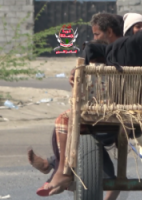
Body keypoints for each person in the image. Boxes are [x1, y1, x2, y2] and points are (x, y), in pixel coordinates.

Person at [28, 13, 125, 199]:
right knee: (76, 128)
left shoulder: (114, 52)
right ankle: (54, 168)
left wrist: (80, 74)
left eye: (97, 34)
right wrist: (78, 75)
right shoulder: (117, 52)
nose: (94, 39)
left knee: (65, 120)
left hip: (111, 117)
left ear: (109, 31)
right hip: (104, 114)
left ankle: (58, 170)